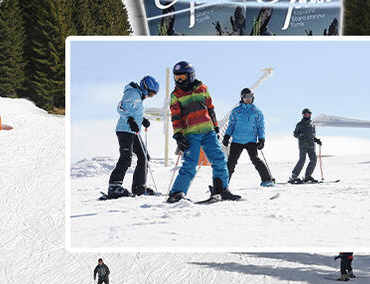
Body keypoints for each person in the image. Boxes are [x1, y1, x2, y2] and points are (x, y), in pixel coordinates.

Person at [167, 61, 240, 203]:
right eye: (176, 78)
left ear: (191, 76)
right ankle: (177, 193)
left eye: (181, 77)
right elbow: (176, 117)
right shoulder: (176, 95)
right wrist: (178, 135)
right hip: (190, 134)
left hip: (208, 132)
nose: (179, 81)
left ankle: (222, 190)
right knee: (190, 163)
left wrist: (216, 126)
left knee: (219, 159)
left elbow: (210, 108)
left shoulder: (202, 88)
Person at [101, 75, 159, 199]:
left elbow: (133, 111)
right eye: (151, 93)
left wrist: (142, 120)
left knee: (144, 157)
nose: (150, 96)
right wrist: (130, 120)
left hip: (133, 132)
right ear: (145, 88)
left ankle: (139, 188)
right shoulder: (132, 93)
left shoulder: (139, 97)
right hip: (124, 130)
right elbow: (121, 107)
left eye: (153, 95)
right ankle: (114, 186)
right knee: (126, 158)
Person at [223, 88, 274, 186]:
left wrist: (262, 139)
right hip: (237, 140)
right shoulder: (236, 111)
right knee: (231, 162)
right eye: (246, 97)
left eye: (250, 96)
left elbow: (261, 126)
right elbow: (231, 125)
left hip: (251, 140)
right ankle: (223, 184)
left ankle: (267, 180)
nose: (248, 99)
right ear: (242, 98)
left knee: (255, 159)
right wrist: (227, 136)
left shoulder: (256, 111)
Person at [289, 108, 322, 184]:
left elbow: (312, 135)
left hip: (311, 145)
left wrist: (316, 140)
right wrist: (300, 135)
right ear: (303, 115)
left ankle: (308, 176)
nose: (308, 116)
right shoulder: (300, 124)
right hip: (303, 145)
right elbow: (295, 134)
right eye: (306, 114)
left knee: (313, 160)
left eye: (309, 114)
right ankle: (294, 176)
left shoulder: (312, 125)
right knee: (302, 160)